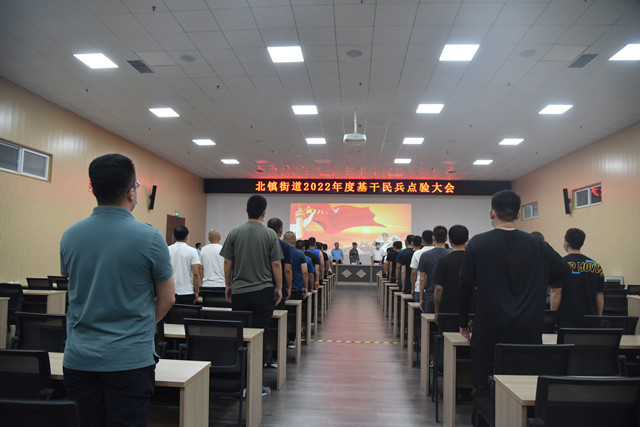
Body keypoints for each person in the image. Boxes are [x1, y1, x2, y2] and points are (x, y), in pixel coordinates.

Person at [60, 153, 175, 426]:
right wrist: (141, 325)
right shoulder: (150, 237)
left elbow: (73, 287)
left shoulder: (70, 235)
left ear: (94, 190)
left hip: (79, 358)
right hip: (129, 359)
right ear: (131, 193)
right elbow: (168, 298)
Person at [458, 190, 570, 426]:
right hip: (528, 333)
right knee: (524, 387)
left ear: (491, 213)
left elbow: (464, 286)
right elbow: (563, 271)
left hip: (488, 331)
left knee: (483, 390)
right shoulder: (538, 245)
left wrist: (462, 321)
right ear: (518, 214)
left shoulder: (478, 243)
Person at [220, 195, 283, 396]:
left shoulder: (234, 232)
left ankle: (238, 383)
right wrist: (279, 287)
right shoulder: (270, 234)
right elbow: (276, 263)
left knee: (240, 337)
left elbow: (227, 262)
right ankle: (255, 385)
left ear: (246, 210)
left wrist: (228, 284)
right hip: (263, 292)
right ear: (264, 212)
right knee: (260, 338)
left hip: (239, 292)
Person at [550, 228, 604, 328]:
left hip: (567, 319)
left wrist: (553, 318)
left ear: (566, 243)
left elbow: (556, 292)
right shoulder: (596, 267)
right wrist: (599, 318)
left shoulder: (560, 264)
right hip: (590, 319)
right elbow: (599, 295)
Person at [433, 225, 469, 322]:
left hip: (448, 311)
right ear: (467, 239)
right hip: (470, 311)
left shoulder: (443, 261)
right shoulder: (474, 260)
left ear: (449, 240)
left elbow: (438, 289)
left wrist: (437, 311)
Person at [283, 232, 309, 348]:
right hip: (296, 288)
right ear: (294, 241)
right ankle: (291, 339)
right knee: (294, 316)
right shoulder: (300, 254)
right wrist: (305, 287)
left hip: (282, 288)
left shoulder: (280, 251)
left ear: (284, 240)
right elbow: (305, 272)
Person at [418, 226, 450, 312]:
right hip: (447, 296)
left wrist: (421, 298)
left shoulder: (425, 255)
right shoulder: (450, 255)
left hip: (430, 295)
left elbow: (422, 279)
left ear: (433, 238)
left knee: (428, 320)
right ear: (446, 238)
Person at [169, 225, 202, 304]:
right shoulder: (192, 251)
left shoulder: (167, 250)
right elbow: (196, 274)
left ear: (174, 236)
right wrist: (197, 290)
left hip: (170, 291)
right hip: (187, 292)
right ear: (187, 236)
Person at [267, 218, 292, 309]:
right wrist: (289, 287)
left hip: (262, 286)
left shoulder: (261, 243)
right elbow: (287, 269)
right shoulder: (285, 246)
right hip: (279, 287)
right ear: (281, 231)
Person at [411, 230, 433, 302]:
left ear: (422, 240)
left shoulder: (417, 253)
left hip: (419, 287)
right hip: (434, 288)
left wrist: (413, 288)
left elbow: (414, 272)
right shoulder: (438, 252)